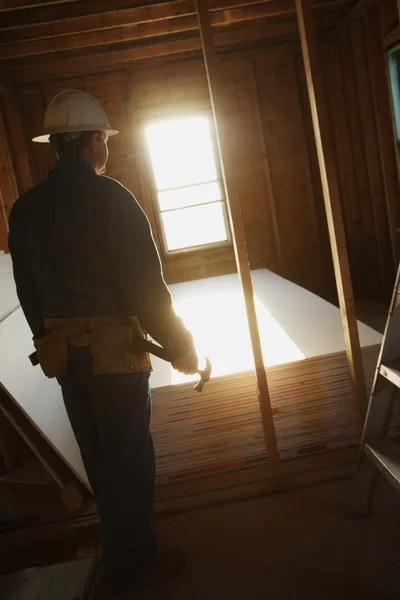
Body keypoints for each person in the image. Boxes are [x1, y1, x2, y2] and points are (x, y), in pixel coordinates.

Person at [8, 89, 199, 597]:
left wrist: (49, 341)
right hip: (116, 356)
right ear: (95, 142)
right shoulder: (111, 198)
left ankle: (119, 553)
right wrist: (181, 344)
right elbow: (145, 285)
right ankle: (133, 563)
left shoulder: (24, 210)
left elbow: (27, 291)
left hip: (65, 356)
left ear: (55, 144)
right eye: (105, 140)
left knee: (97, 454)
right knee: (130, 458)